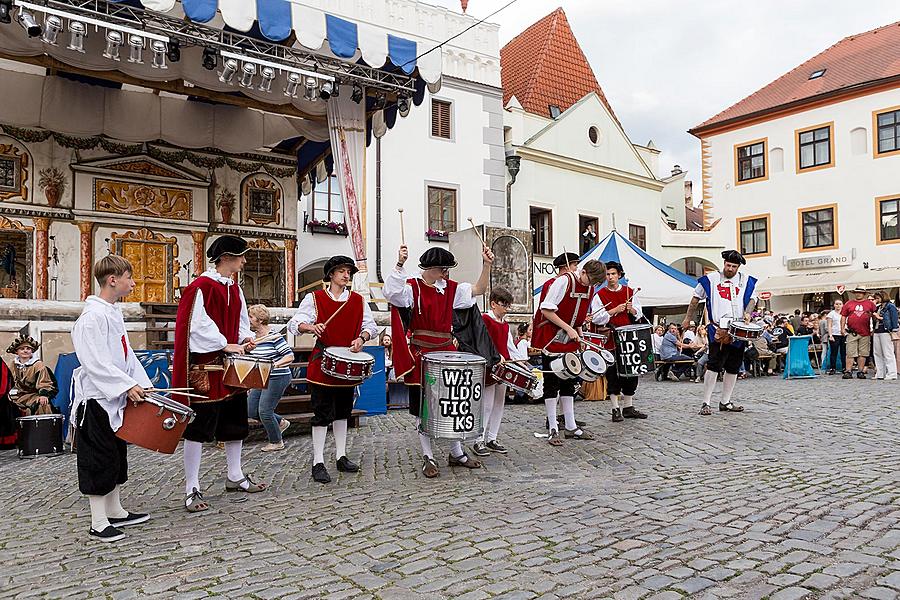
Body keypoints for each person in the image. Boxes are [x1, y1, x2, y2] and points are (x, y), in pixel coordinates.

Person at [172, 235, 266, 513]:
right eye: (241, 256)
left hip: (231, 367)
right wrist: (224, 344)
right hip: (206, 369)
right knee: (198, 429)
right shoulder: (200, 287)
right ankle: (192, 487)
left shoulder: (234, 288)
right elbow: (196, 327)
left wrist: (244, 339)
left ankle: (235, 475)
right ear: (226, 257)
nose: (244, 261)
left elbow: (239, 322)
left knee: (235, 423)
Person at [384, 244, 493, 478]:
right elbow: (391, 294)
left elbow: (479, 289)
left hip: (447, 352)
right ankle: (428, 456)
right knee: (423, 407)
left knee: (451, 403)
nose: (446, 273)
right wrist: (400, 264)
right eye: (443, 269)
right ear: (430, 268)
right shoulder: (413, 288)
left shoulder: (451, 289)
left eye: (447, 269)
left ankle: (456, 452)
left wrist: (486, 265)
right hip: (421, 354)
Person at [70, 254, 153, 542]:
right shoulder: (92, 318)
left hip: (115, 396)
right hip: (96, 398)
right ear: (112, 280)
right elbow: (95, 362)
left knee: (117, 454)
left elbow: (126, 356)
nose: (133, 283)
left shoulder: (112, 313)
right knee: (97, 456)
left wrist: (141, 383)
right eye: (129, 277)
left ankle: (116, 510)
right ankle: (98, 521)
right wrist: (124, 385)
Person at [288, 255, 377, 483]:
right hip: (322, 363)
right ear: (330, 274)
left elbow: (371, 327)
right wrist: (310, 326)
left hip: (347, 363)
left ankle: (341, 456)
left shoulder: (357, 300)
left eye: (349, 272)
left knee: (342, 413)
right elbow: (295, 323)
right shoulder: (315, 298)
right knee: (321, 415)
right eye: (341, 271)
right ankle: (318, 461)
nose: (346, 275)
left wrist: (361, 338)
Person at [531, 259, 608, 445]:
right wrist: (569, 328)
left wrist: (580, 336)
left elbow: (578, 318)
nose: (591, 285)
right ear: (584, 272)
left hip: (570, 339)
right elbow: (547, 310)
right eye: (590, 280)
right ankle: (552, 427)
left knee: (569, 381)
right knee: (552, 382)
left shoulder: (589, 287)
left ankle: (571, 426)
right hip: (552, 337)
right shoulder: (564, 281)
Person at [683, 249, 758, 416]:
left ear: (738, 267)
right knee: (714, 364)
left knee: (733, 366)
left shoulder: (746, 280)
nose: (730, 269)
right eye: (728, 265)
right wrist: (688, 319)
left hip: (738, 329)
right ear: (724, 263)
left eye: (733, 266)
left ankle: (725, 401)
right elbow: (695, 298)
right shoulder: (711, 279)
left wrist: (748, 312)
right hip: (717, 328)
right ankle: (706, 402)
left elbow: (753, 298)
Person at [473, 288, 525, 456]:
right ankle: (478, 440)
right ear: (493, 304)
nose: (507, 309)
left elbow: (509, 345)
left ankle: (492, 438)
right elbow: (482, 343)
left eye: (508, 306)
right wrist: (496, 357)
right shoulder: (485, 319)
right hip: (489, 366)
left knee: (499, 404)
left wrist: (520, 361)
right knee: (486, 405)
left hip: (504, 368)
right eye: (504, 305)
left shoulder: (505, 324)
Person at [595, 261, 648, 422]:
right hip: (611, 338)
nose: (610, 277)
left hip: (629, 340)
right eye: (608, 274)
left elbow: (638, 314)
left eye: (613, 274)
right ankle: (615, 409)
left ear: (619, 275)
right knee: (613, 374)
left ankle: (628, 407)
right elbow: (596, 318)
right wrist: (613, 310)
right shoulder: (600, 295)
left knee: (631, 372)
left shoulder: (629, 292)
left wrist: (631, 308)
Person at [246, 305, 294, 452]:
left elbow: (289, 356)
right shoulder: (254, 339)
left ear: (260, 320)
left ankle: (276, 441)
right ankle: (280, 422)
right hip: (262, 378)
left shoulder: (274, 337)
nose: (248, 320)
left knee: (265, 411)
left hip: (278, 377)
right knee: (251, 410)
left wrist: (274, 365)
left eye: (251, 317)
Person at [6, 335, 57, 416]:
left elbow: (45, 382)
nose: (25, 351)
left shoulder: (38, 365)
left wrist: (44, 395)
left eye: (28, 349)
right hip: (17, 397)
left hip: (33, 396)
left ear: (32, 351)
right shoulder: (12, 365)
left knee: (42, 405)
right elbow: (7, 382)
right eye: (22, 349)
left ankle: (41, 427)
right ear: (17, 351)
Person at [840, 287, 876, 380]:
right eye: (857, 292)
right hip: (852, 332)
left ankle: (860, 371)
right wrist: (842, 328)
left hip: (865, 332)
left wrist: (874, 328)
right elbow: (843, 316)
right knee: (850, 353)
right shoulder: (849, 303)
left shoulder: (870, 304)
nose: (858, 294)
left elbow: (875, 315)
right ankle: (848, 371)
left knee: (863, 353)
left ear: (864, 294)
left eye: (860, 292)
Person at [872, 291, 898, 381]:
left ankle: (892, 373)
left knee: (888, 353)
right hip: (877, 331)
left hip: (886, 331)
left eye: (878, 298)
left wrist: (894, 330)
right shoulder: (878, 307)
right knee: (877, 353)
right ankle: (880, 373)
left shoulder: (890, 306)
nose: (876, 300)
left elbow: (894, 319)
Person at [825, 300, 845, 374]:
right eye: (837, 304)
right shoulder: (831, 314)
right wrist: (830, 335)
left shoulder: (844, 313)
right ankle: (832, 368)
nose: (838, 306)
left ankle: (844, 367)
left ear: (842, 305)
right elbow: (829, 325)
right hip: (834, 334)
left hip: (843, 334)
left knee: (844, 352)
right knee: (834, 352)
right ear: (834, 305)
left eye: (840, 304)